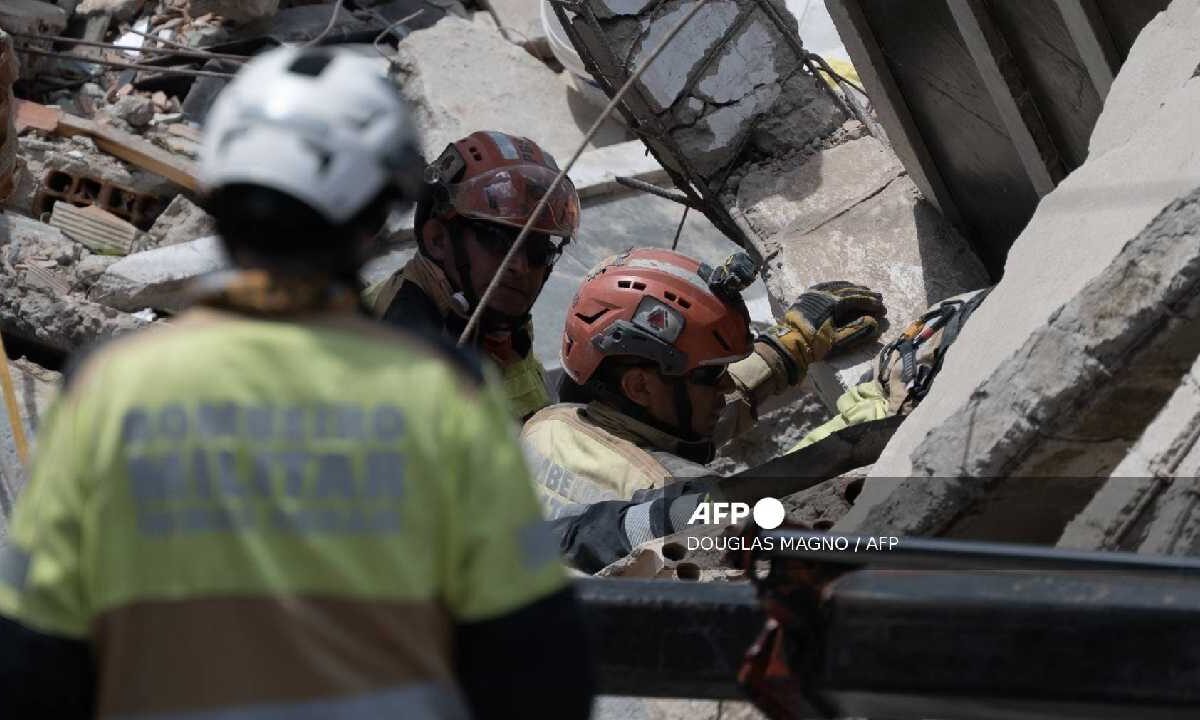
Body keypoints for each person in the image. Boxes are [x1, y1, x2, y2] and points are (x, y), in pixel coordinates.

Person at [0, 47, 593, 719]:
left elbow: (31, 660)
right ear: (379, 220)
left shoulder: (110, 390)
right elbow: (540, 668)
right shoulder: (443, 396)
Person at [520, 248, 885, 570]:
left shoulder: (548, 424)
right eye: (713, 374)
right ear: (639, 386)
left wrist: (783, 353)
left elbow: (674, 424)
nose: (725, 386)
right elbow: (800, 507)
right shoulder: (678, 494)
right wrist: (879, 412)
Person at [365, 130, 581, 421]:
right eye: (497, 241)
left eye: (538, 249)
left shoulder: (490, 316)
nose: (521, 266)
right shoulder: (402, 359)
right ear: (438, 239)